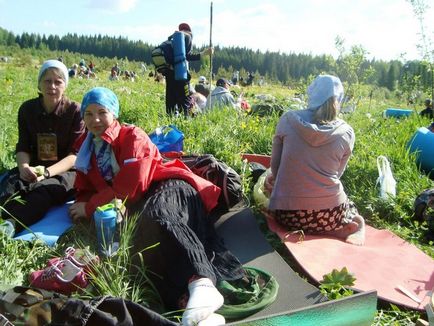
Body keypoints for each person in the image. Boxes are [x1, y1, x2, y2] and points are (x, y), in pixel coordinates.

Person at [70, 87, 243, 326]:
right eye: (88, 114)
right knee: (144, 251)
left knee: (159, 216)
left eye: (102, 112)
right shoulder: (87, 147)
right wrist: (83, 203)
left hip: (169, 185)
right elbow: (85, 187)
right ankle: (195, 307)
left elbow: (133, 186)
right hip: (137, 205)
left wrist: (90, 207)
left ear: (115, 113)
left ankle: (202, 282)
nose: (95, 120)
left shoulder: (132, 136)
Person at [264, 74, 365, 246]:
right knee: (349, 205)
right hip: (330, 214)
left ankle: (328, 227)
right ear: (339, 99)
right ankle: (352, 224)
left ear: (312, 94)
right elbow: (337, 174)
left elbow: (276, 168)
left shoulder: (288, 119)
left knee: (271, 182)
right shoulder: (347, 131)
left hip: (288, 215)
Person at [0, 59, 85, 237]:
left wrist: (46, 173)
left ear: (65, 85)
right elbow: (23, 145)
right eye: (47, 81)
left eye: (58, 81)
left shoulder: (75, 111)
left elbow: (74, 156)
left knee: (43, 192)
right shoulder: (27, 109)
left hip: (65, 171)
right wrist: (24, 168)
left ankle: (11, 225)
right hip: (35, 165)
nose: (52, 86)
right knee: (10, 185)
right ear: (39, 83)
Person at [163, 23, 213, 116]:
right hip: (181, 74)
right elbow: (188, 55)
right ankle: (187, 121)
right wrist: (204, 53)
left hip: (169, 74)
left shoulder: (173, 38)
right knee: (185, 101)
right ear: (189, 31)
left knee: (171, 100)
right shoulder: (187, 37)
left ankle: (170, 121)